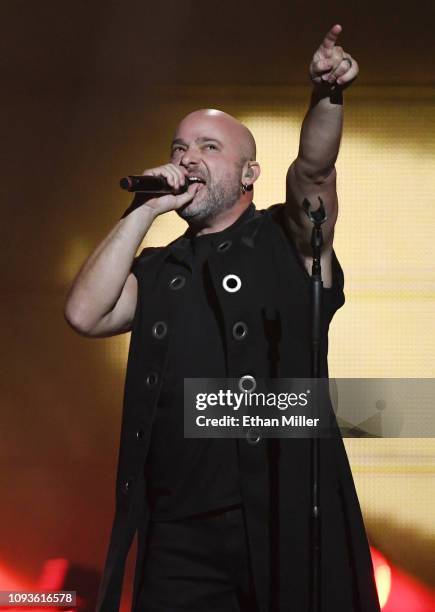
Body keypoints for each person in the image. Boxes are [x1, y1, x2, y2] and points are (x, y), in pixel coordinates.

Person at [64, 23, 381, 612]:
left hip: (281, 521)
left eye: (210, 148)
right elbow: (85, 314)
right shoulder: (161, 268)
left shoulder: (287, 241)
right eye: (180, 148)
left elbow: (314, 169)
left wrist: (326, 95)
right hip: (179, 536)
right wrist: (144, 210)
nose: (188, 160)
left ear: (249, 175)